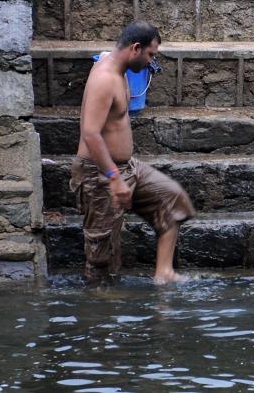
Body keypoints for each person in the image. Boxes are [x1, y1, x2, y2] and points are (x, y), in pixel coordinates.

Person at [70, 20, 195, 283]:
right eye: (150, 55)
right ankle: (100, 299)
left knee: (172, 200)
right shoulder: (105, 78)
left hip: (127, 167)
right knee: (102, 253)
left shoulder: (120, 69)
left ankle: (164, 273)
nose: (151, 62)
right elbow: (90, 133)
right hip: (100, 173)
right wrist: (114, 177)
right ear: (136, 48)